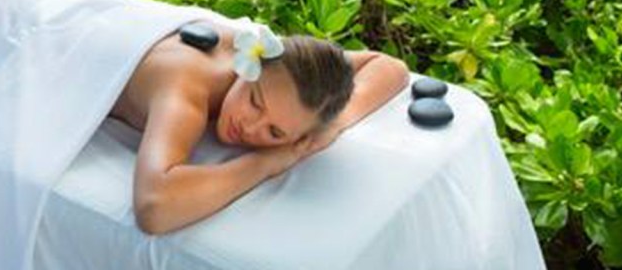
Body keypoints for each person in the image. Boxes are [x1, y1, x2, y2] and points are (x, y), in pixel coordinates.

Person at [109, 19, 411, 235]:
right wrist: (266, 162)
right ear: (249, 69)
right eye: (255, 102)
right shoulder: (186, 90)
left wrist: (334, 124)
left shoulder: (285, 72)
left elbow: (389, 66)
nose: (250, 127)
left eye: (275, 132)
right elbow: (155, 207)